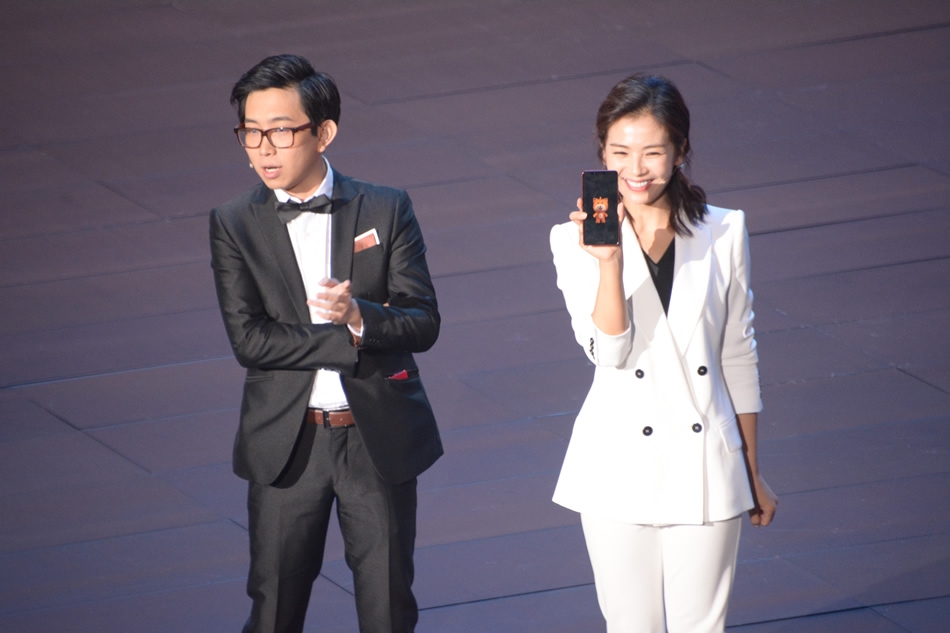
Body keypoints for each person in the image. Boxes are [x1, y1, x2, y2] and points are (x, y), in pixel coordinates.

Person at [209, 54, 442, 633]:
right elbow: (250, 340)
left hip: (375, 437)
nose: (264, 149)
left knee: (388, 610)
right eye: (251, 132)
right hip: (288, 445)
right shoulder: (234, 221)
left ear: (324, 132)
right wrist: (348, 338)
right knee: (274, 611)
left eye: (280, 131)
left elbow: (422, 321)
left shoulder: (385, 207)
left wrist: (361, 315)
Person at [549, 74, 778, 633]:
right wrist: (608, 261)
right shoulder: (572, 240)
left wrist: (750, 470)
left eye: (653, 152)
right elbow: (609, 352)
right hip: (616, 466)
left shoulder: (723, 230)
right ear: (602, 154)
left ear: (679, 151)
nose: (636, 169)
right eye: (620, 152)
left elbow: (737, 354)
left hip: (707, 465)